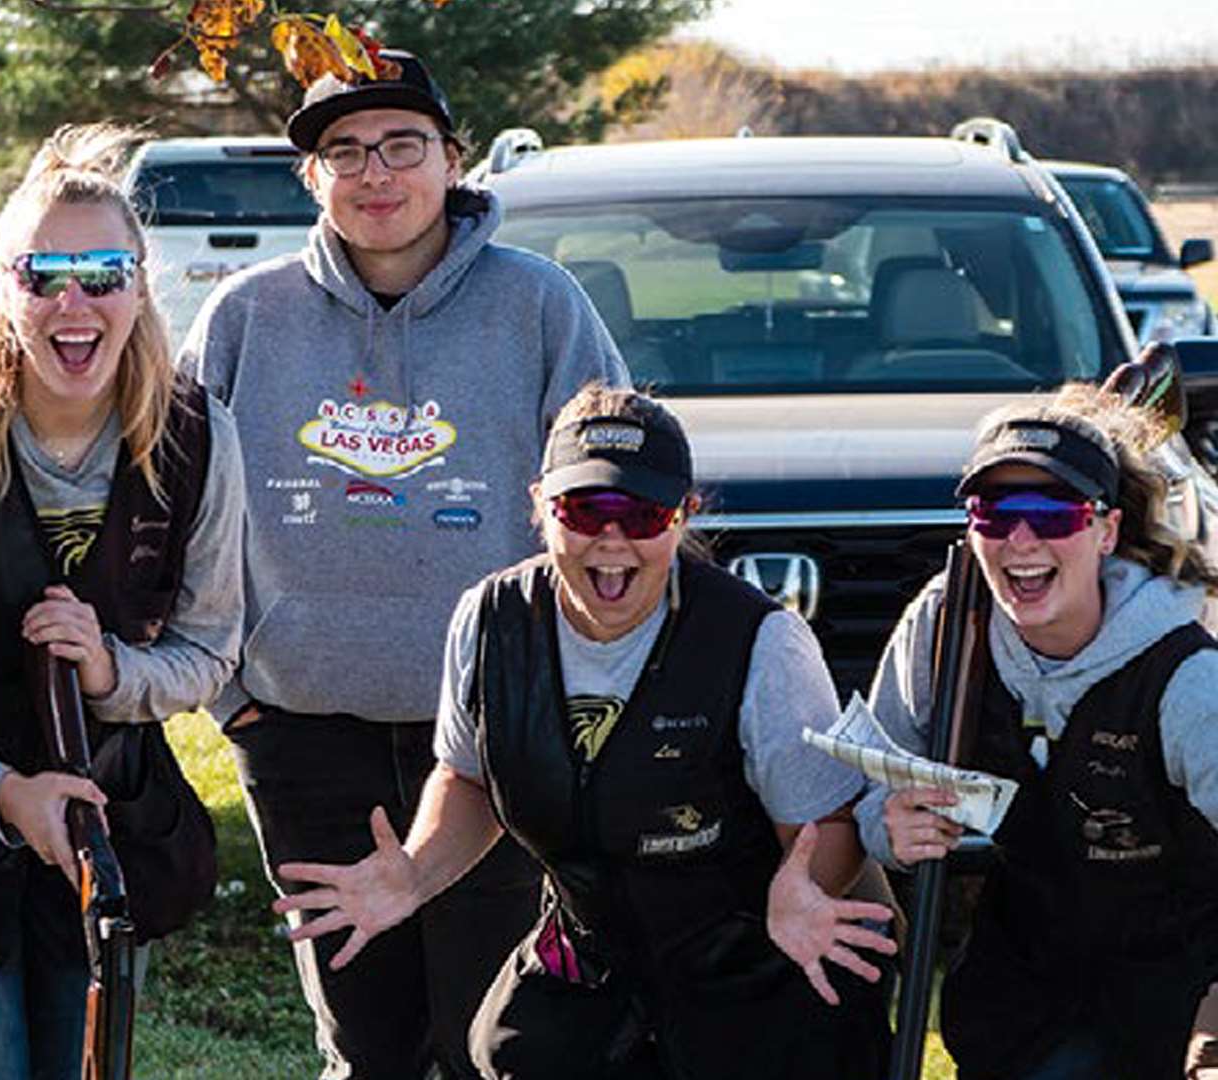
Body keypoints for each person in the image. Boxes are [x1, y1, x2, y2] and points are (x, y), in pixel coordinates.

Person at [178, 47, 630, 1077]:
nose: (374, 173)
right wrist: (236, 699)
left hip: (491, 747)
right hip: (300, 736)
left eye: (401, 146)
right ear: (312, 177)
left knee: (494, 1038)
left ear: (452, 159)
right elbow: (179, 514)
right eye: (344, 151)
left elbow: (610, 498)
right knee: (362, 1043)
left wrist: (570, 682)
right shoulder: (247, 317)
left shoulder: (541, 307)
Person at [274, 386, 895, 1080]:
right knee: (512, 1052)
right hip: (590, 956)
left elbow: (828, 824)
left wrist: (804, 885)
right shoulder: (490, 620)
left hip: (760, 956)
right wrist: (416, 872)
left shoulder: (763, 643)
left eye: (642, 513)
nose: (612, 539)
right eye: (584, 509)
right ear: (540, 507)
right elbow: (468, 776)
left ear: (684, 516)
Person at [0, 123, 245, 1080]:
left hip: (106, 827)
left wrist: (112, 671)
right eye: (43, 272)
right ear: (3, 287)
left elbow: (212, 649)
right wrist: (7, 795)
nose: (75, 300)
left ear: (141, 284)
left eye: (104, 270)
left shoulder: (200, 436)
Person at [861, 386, 1218, 1080]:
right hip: (1017, 994)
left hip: (1179, 990)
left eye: (1052, 513)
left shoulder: (1186, 678)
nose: (1021, 540)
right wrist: (891, 827)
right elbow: (870, 790)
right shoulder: (944, 627)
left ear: (1106, 529)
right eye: (994, 515)